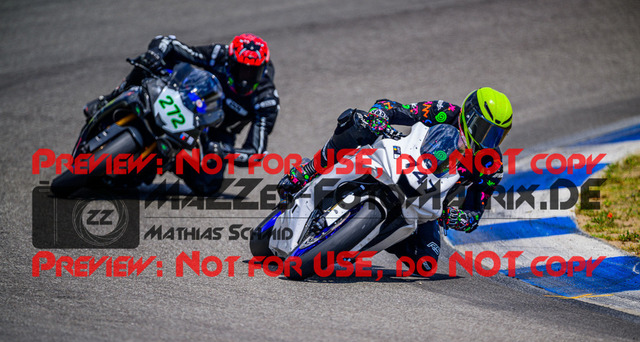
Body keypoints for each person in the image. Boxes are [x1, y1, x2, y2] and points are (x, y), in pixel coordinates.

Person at [277, 87, 513, 272]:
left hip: (428, 202)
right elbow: (396, 108)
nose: (488, 140)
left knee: (426, 264)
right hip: (403, 161)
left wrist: (456, 217)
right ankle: (310, 169)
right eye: (485, 129)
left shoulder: (490, 165)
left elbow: (474, 214)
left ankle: (361, 238)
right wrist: (380, 115)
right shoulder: (445, 111)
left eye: (497, 135)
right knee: (356, 123)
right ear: (469, 115)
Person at [84, 33, 280, 195]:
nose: (245, 79)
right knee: (149, 63)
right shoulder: (220, 54)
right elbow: (168, 42)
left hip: (219, 131)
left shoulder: (266, 99)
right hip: (193, 99)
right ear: (231, 61)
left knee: (209, 185)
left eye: (252, 72)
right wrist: (155, 53)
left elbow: (256, 152)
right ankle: (110, 98)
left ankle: (168, 159)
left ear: (263, 69)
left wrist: (223, 151)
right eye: (241, 70)